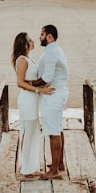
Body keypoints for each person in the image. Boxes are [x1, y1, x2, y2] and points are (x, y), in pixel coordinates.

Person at [11, 32, 53, 177]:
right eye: (30, 40)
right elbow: (19, 83)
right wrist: (38, 89)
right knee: (28, 133)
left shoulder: (27, 59)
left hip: (32, 100)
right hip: (27, 100)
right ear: (24, 44)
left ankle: (29, 167)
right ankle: (27, 169)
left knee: (31, 133)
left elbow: (30, 79)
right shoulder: (22, 60)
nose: (34, 41)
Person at [31, 24, 68, 179]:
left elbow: (47, 77)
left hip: (54, 94)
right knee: (57, 128)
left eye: (42, 34)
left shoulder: (52, 52)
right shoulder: (53, 50)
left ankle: (54, 171)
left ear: (49, 36)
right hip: (56, 93)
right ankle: (58, 163)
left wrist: (30, 83)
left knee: (53, 132)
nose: (39, 37)